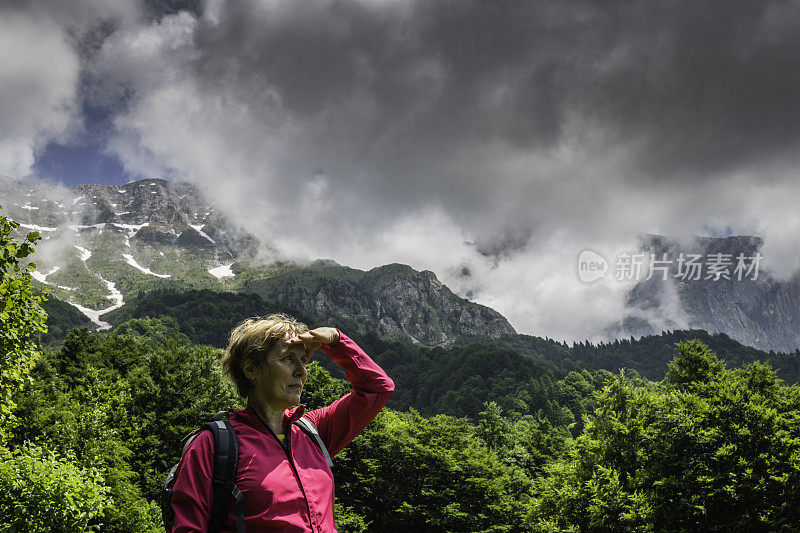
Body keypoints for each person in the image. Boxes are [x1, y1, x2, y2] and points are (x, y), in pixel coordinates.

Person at [170, 313, 394, 532]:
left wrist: (336, 340)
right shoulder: (212, 445)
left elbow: (378, 388)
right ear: (250, 369)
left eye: (303, 360)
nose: (301, 371)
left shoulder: (312, 431)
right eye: (288, 358)